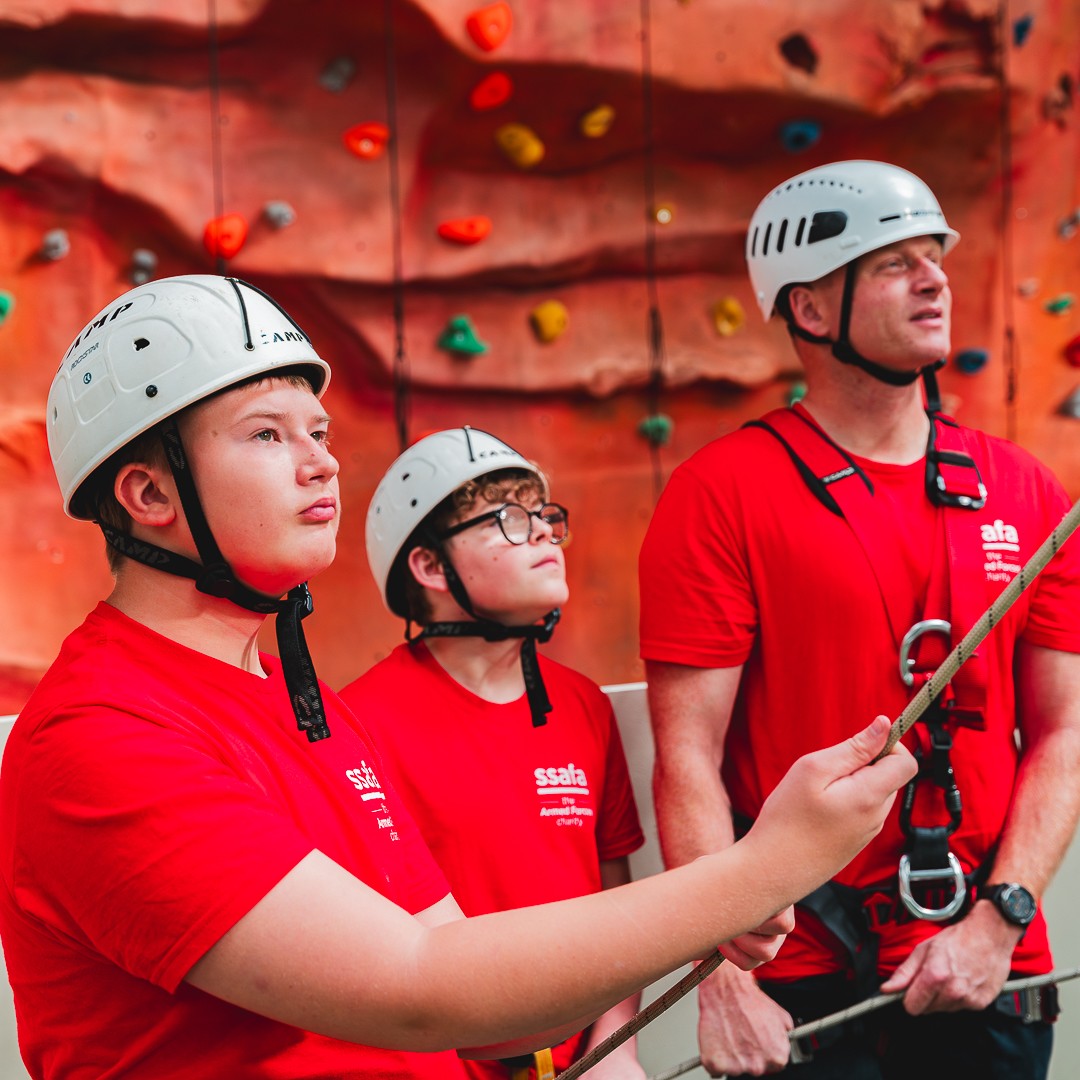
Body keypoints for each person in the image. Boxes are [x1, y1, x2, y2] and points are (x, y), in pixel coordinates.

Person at [0, 274, 915, 1080]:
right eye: (267, 434)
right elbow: (420, 989)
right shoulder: (103, 738)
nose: (322, 459)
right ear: (150, 496)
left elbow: (490, 996)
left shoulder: (305, 709)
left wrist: (699, 921)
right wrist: (760, 871)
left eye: (317, 430)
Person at [638, 159, 1080, 1080]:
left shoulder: (1024, 490)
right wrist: (718, 972)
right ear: (809, 310)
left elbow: (1065, 728)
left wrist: (1002, 917)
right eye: (893, 263)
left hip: (989, 955)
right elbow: (688, 755)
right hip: (801, 966)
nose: (934, 280)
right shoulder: (723, 495)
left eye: (936, 257)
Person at [340, 427, 647, 1080]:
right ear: (429, 567)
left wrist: (616, 1050)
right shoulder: (358, 724)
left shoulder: (584, 705)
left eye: (544, 517)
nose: (541, 533)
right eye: (507, 519)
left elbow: (613, 911)